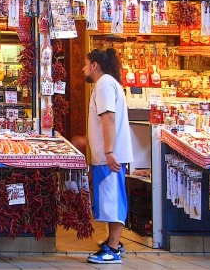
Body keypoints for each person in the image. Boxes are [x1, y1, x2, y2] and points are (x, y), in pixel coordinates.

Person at [83, 48, 133, 265]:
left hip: (110, 157)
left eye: (85, 64)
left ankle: (113, 249)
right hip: (108, 153)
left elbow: (109, 119)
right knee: (111, 197)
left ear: (95, 65)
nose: (83, 68)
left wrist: (109, 151)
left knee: (112, 199)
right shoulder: (108, 83)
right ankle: (114, 243)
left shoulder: (103, 84)